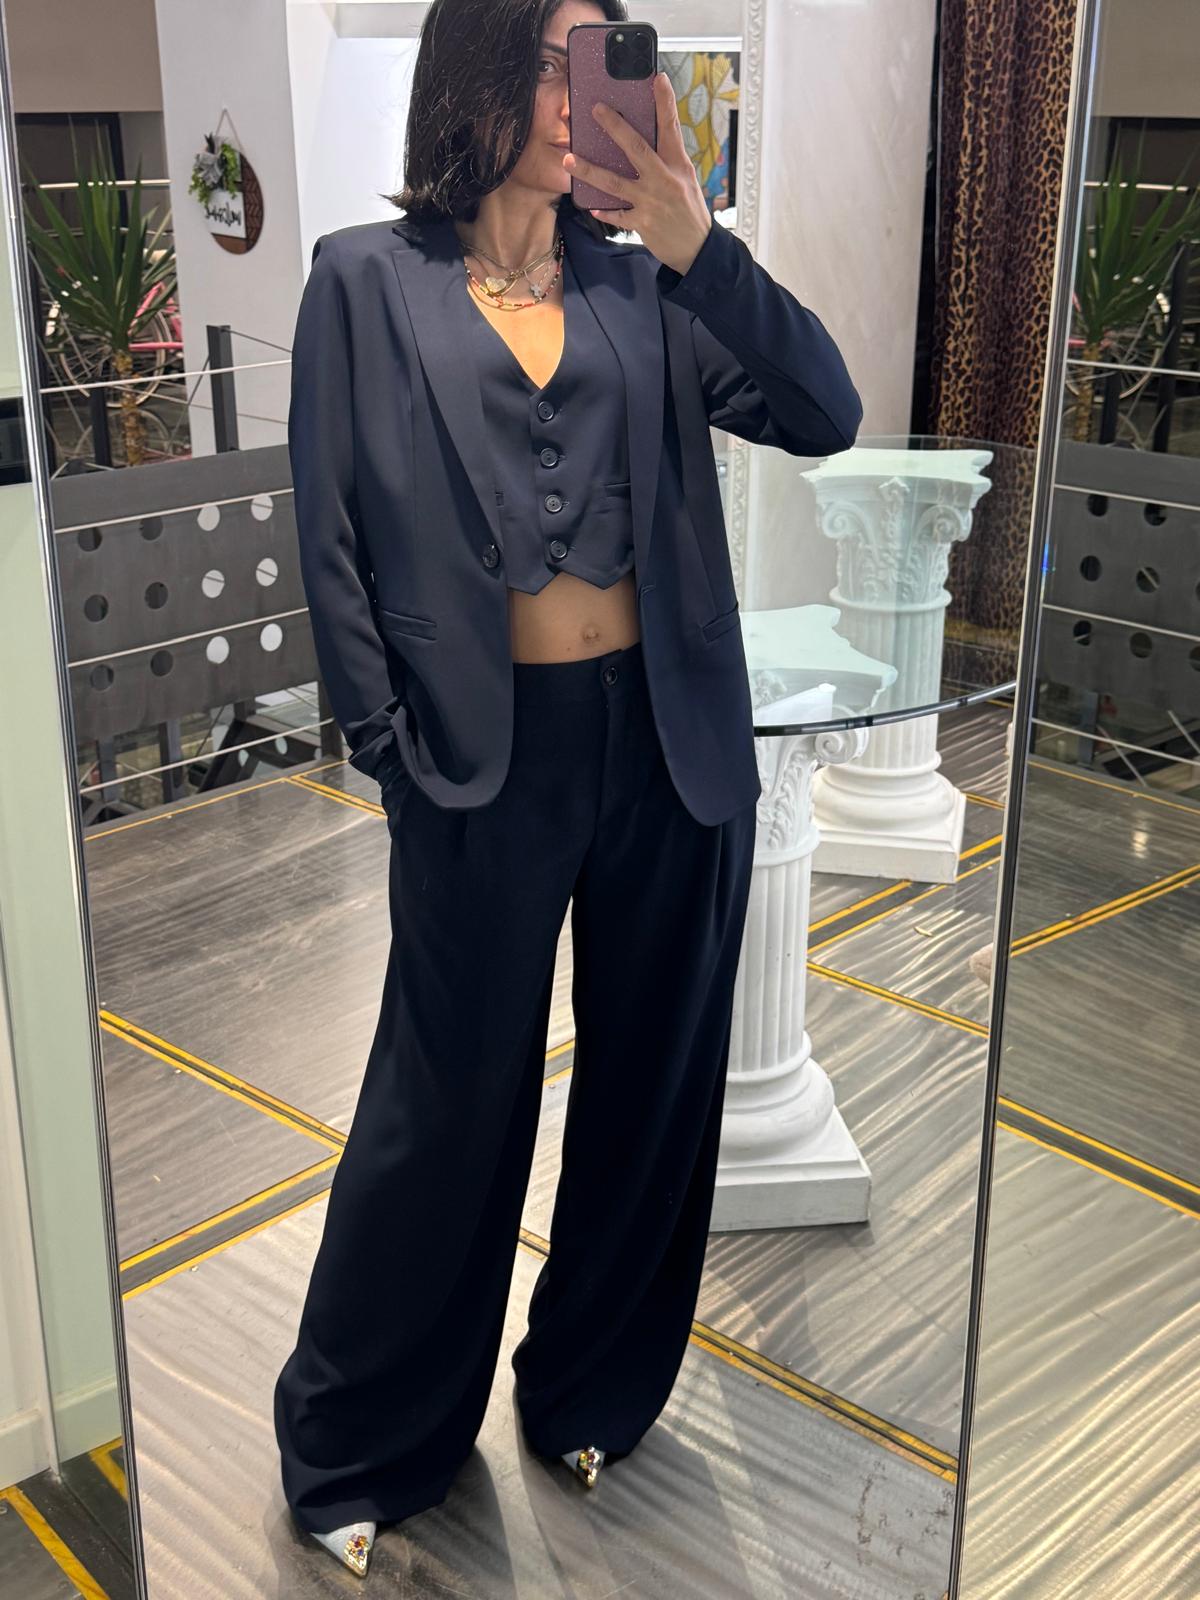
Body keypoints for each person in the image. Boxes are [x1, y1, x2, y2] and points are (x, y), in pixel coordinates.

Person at [273, 0, 862, 1576]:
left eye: (594, 64)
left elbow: (826, 412)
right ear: (471, 74)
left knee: (648, 1089)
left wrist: (702, 245)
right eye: (544, 62)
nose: (571, 97)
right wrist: (388, 749)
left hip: (666, 743)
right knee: (443, 1103)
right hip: (480, 760)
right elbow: (328, 533)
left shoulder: (648, 284)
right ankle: (362, 1436)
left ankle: (592, 1387)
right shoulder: (362, 281)